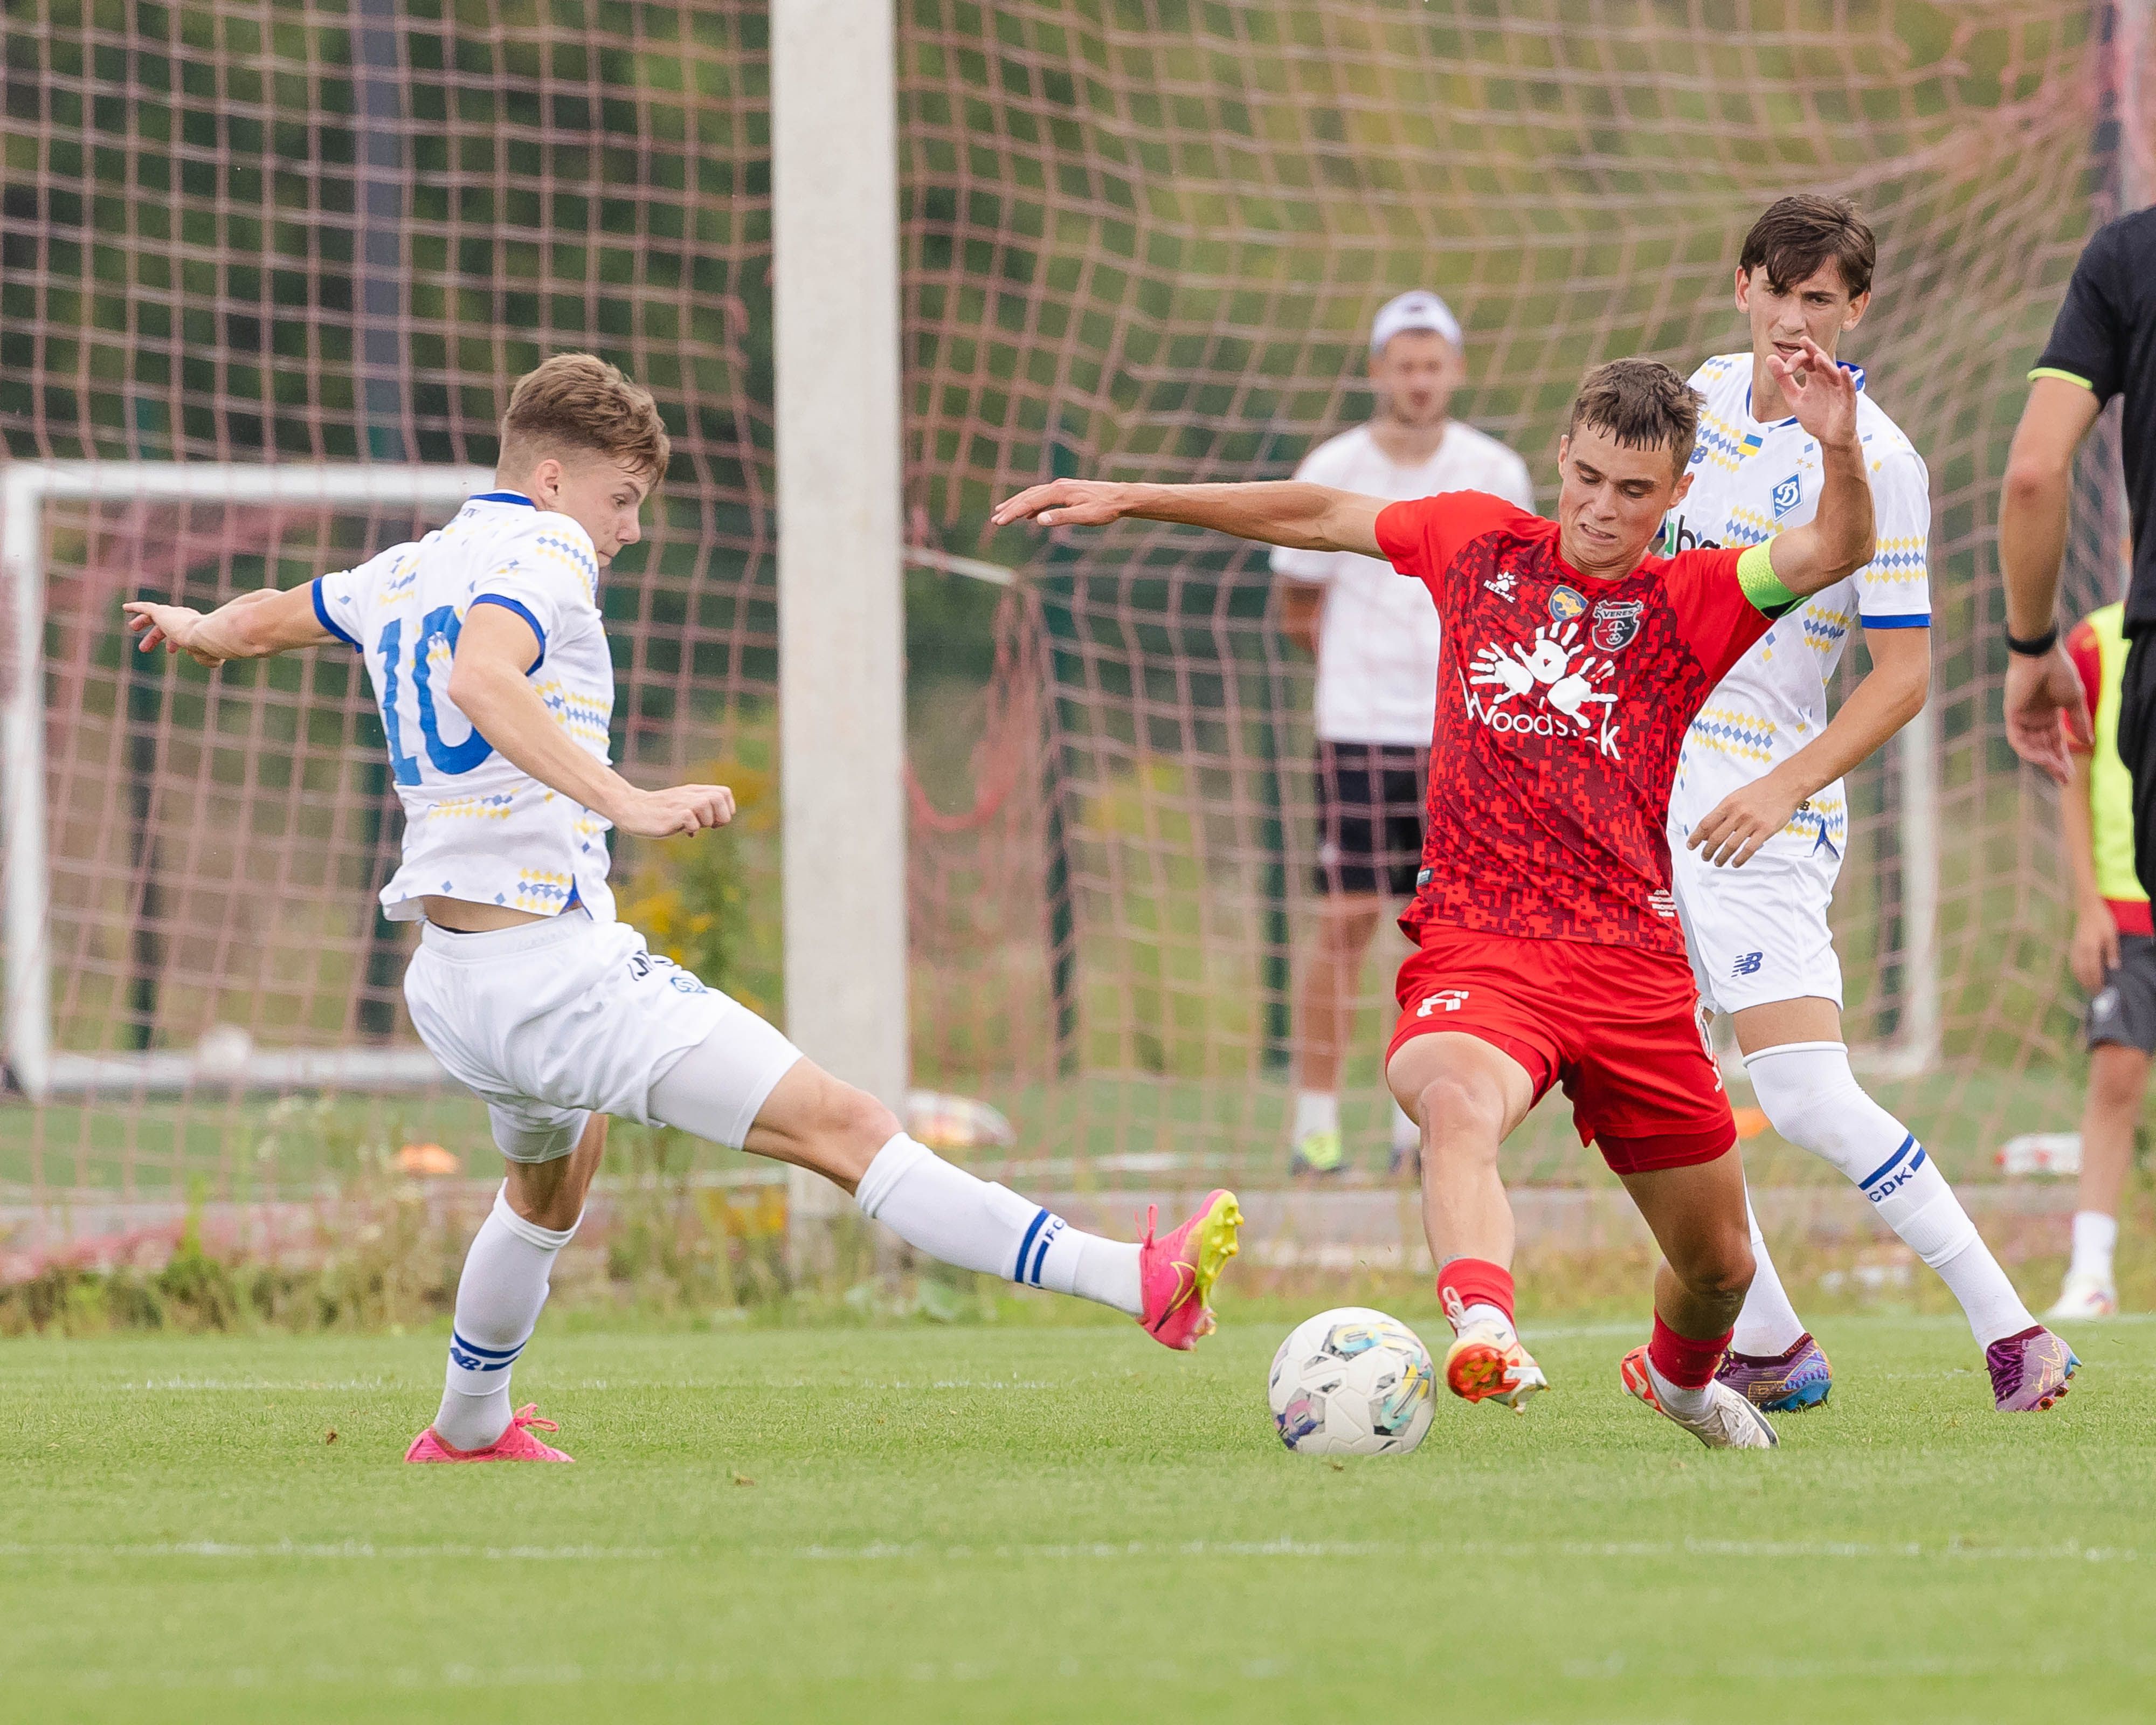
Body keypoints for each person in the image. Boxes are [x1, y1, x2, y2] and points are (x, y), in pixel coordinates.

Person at [123, 353, 1243, 1465]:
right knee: (846, 1126)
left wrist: (195, 624)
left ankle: (468, 1426)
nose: (630, 529)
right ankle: (1133, 1278)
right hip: (548, 975)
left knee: (551, 1177)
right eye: (624, 499)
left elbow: (273, 615)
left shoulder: (410, 567)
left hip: (454, 983)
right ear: (554, 479)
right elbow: (481, 678)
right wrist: (630, 800)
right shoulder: (545, 547)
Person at [998, 342, 1875, 1450]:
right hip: (1480, 946)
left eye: (1633, 491)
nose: (1601, 509)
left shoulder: (1695, 596)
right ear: (1559, 456)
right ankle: (1484, 1323)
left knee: (1718, 1266)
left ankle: (1682, 1386)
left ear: (1678, 494)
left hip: (1627, 961)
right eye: (1587, 477)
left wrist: (1837, 446)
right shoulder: (1475, 539)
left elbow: (1839, 544)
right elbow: (1319, 513)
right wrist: (1137, 496)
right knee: (1455, 1107)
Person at [1661, 195, 2067, 1415]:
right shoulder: (1699, 395)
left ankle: (2013, 1331)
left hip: (1754, 798)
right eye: (1778, 292)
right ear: (1741, 287)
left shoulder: (1879, 460)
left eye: (1821, 299)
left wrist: (1783, 786)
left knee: (1800, 1093)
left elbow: (1902, 678)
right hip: (1644, 780)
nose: (1795, 320)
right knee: (1648, 1079)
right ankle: (1773, 1346)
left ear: (1857, 311)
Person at [1270, 292, 1535, 1179]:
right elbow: (1298, 605)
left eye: (1434, 365)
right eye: (1404, 364)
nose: (1419, 382)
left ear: (1455, 371)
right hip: (1356, 730)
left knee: (1444, 934)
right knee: (1344, 921)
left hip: (1460, 739)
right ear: (1378, 369)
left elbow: (1518, 606)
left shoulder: (1495, 469)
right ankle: (1315, 1126)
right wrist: (1367, 678)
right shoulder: (1333, 465)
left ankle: (1420, 1125)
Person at [2048, 601, 2145, 1319]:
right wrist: (2088, 903)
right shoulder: (2096, 642)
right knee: (2116, 1071)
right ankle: (2091, 1274)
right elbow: (2074, 777)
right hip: (2127, 904)